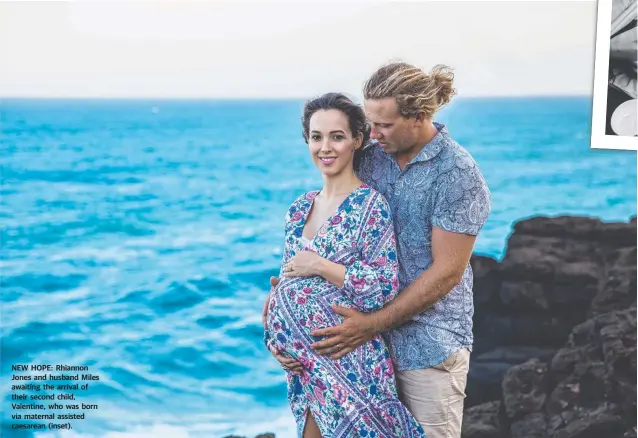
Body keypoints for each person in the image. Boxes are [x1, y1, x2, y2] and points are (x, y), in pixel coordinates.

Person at [264, 62, 491, 438]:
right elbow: (336, 229)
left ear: (418, 117)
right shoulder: (372, 155)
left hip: (426, 344)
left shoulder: (458, 175)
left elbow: (447, 272)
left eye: (383, 125)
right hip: (360, 347)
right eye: (369, 123)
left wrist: (371, 324)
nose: (372, 133)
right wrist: (280, 315)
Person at [264, 92, 426, 438]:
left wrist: (322, 265)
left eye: (337, 136)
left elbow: (382, 288)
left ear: (357, 139)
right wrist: (275, 340)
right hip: (306, 371)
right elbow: (286, 284)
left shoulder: (370, 206)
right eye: (316, 136)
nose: (326, 147)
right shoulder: (298, 208)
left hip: (352, 364)